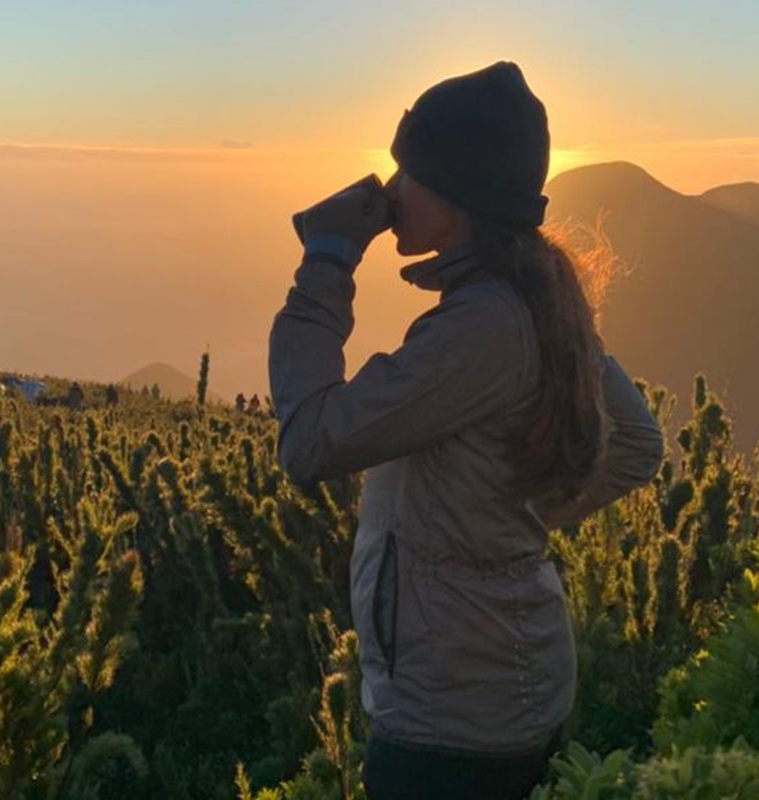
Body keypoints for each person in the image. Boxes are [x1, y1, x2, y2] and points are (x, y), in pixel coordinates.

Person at [268, 61, 664, 799]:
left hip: (451, 717)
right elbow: (638, 444)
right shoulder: (537, 295)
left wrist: (326, 261)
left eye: (406, 171)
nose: (389, 192)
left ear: (456, 196)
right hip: (506, 683)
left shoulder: (482, 326)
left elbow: (310, 441)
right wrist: (503, 528)